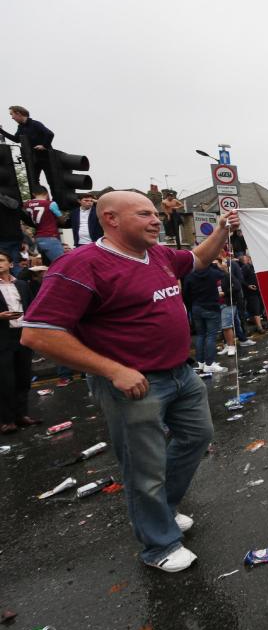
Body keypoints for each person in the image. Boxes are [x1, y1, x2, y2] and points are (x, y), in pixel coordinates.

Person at [21, 191, 240, 573]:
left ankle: (161, 512)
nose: (157, 220)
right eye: (144, 214)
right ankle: (158, 545)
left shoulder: (158, 255)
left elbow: (198, 258)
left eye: (156, 213)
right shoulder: (81, 266)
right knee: (144, 465)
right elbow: (39, 334)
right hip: (133, 383)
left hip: (180, 372)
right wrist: (112, 370)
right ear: (111, 219)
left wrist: (221, 229)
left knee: (197, 437)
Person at [0, 249, 39, 434]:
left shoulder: (22, 284)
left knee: (23, 377)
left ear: (10, 264)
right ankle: (6, 420)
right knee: (5, 380)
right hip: (2, 337)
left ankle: (21, 415)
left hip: (22, 335)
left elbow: (32, 306)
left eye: (1, 260)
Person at [182, 262, 228, 374]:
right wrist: (214, 265)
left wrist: (191, 306)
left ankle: (201, 363)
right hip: (211, 307)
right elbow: (224, 274)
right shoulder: (213, 273)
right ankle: (209, 363)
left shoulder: (190, 275)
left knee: (201, 335)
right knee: (211, 336)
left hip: (197, 307)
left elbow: (186, 294)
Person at [0, 106, 54, 192]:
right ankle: (38, 200)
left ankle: (55, 202)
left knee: (52, 181)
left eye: (12, 114)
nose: (12, 117)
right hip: (33, 158)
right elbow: (16, 139)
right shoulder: (20, 127)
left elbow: (50, 134)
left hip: (45, 157)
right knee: (33, 181)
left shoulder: (35, 124)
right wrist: (1, 131)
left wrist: (44, 146)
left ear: (18, 113)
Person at [23, 186, 67, 265]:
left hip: (38, 237)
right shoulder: (51, 204)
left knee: (47, 265)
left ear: (33, 194)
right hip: (50, 236)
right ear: (46, 193)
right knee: (61, 264)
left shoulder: (27, 204)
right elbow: (62, 220)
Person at [240, 254, 266, 334]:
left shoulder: (256, 267)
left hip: (258, 291)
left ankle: (255, 322)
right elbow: (241, 279)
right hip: (251, 293)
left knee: (259, 308)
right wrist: (248, 286)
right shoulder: (246, 267)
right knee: (256, 309)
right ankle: (259, 327)